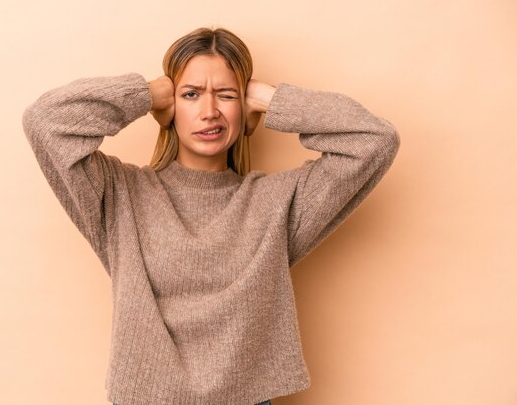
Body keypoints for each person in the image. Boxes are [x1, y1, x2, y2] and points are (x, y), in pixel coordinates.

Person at [22, 27, 400, 405]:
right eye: (190, 94)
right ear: (170, 106)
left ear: (246, 109)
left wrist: (271, 99)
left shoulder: (277, 203)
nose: (209, 112)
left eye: (226, 95)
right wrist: (146, 95)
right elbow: (46, 122)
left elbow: (373, 141)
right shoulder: (120, 194)